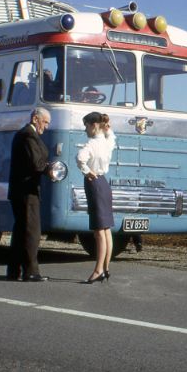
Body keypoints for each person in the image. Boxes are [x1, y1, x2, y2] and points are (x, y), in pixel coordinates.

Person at [7, 107, 52, 282]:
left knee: (20, 231)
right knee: (31, 232)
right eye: (45, 122)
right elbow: (35, 163)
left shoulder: (26, 135)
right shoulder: (28, 135)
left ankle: (14, 271)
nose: (46, 127)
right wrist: (49, 168)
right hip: (26, 191)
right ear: (35, 119)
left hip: (22, 190)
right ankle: (30, 271)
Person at [76, 112, 116, 283]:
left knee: (99, 231)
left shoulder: (91, 144)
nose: (85, 129)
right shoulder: (107, 141)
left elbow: (79, 159)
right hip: (105, 184)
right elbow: (112, 137)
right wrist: (108, 129)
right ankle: (105, 268)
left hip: (94, 183)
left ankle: (98, 269)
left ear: (93, 125)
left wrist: (87, 171)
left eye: (86, 125)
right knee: (106, 230)